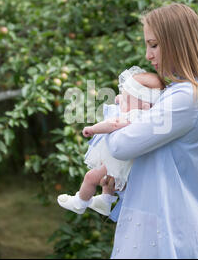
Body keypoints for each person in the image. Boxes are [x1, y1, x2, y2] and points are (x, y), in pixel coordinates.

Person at [102, 3, 198, 259]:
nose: (148, 55)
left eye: (154, 45)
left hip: (164, 234)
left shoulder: (187, 98)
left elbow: (120, 146)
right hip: (172, 226)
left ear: (179, 43)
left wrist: (120, 106)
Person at [57, 66, 165, 216]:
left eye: (126, 99)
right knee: (107, 180)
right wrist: (124, 99)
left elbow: (113, 124)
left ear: (145, 106)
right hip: (122, 160)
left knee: (91, 177)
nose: (121, 101)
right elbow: (128, 102)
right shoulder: (145, 112)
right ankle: (105, 201)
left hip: (120, 161)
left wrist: (93, 129)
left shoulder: (136, 116)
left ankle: (80, 202)